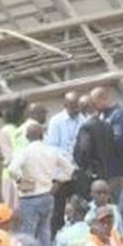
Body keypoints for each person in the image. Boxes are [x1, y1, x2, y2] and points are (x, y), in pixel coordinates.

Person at [9, 122, 75, 246]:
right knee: (45, 233)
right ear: (43, 135)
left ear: (27, 136)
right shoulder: (51, 151)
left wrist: (22, 181)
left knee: (28, 235)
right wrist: (58, 181)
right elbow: (69, 169)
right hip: (47, 195)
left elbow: (11, 170)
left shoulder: (25, 152)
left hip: (29, 197)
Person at [46, 91, 84, 236]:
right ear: (65, 105)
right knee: (58, 209)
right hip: (60, 172)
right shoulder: (56, 121)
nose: (76, 110)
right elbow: (53, 147)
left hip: (77, 170)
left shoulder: (83, 120)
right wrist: (67, 164)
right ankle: (56, 238)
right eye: (73, 107)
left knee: (79, 204)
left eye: (78, 107)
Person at [91, 86, 123, 201]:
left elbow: (119, 140)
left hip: (118, 168)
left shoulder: (118, 115)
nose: (94, 107)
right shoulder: (104, 115)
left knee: (120, 202)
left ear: (103, 98)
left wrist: (100, 146)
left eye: (94, 103)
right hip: (107, 170)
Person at [73, 95, 114, 199]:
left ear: (83, 110)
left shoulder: (86, 127)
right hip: (106, 172)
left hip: (90, 175)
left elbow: (83, 150)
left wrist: (82, 164)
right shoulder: (108, 125)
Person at [0, 98, 28, 210]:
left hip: (18, 174)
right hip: (13, 176)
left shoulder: (19, 129)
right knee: (13, 209)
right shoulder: (7, 131)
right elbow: (9, 158)